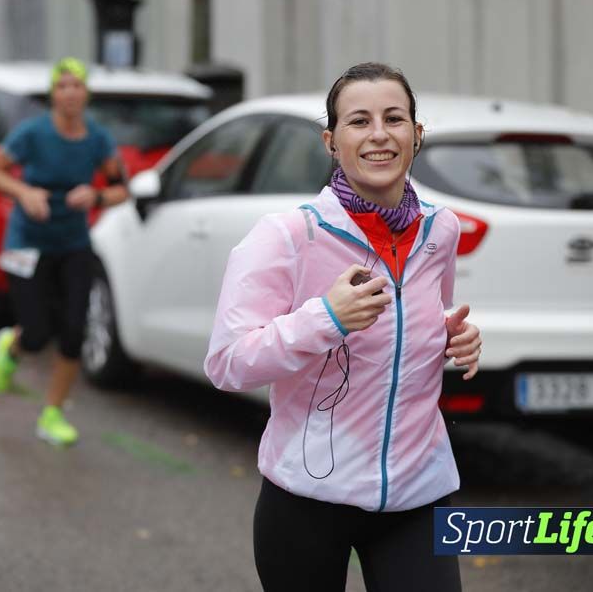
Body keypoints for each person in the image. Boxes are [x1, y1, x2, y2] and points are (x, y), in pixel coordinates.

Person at [204, 62, 482, 591]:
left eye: (394, 118)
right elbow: (227, 362)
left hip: (417, 494)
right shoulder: (287, 236)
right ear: (332, 141)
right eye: (359, 121)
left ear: (416, 136)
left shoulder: (441, 230)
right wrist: (325, 320)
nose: (379, 134)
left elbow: (417, 316)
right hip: (307, 500)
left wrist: (448, 337)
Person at [0, 57, 128, 447]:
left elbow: (121, 189)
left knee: (73, 331)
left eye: (76, 85)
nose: (69, 93)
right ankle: (11, 344)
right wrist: (25, 192)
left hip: (73, 243)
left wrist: (95, 195)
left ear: (86, 94)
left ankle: (53, 414)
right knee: (36, 333)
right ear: (53, 94)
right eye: (62, 86)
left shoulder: (98, 139)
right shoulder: (32, 133)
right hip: (27, 242)